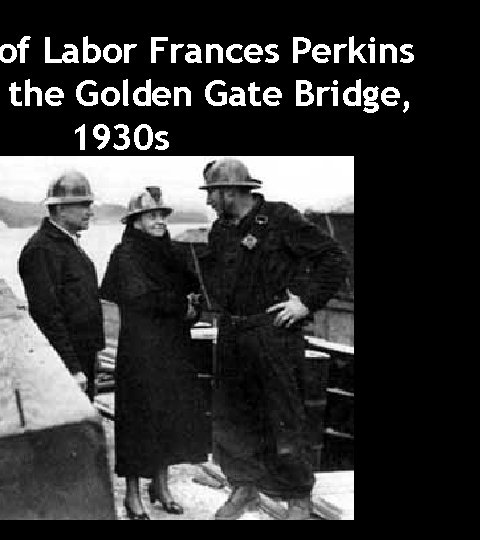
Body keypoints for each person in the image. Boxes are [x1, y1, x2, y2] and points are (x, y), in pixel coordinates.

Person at [199, 158, 350, 520]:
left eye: (213, 194)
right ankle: (245, 488)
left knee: (284, 418)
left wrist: (305, 303)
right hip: (233, 336)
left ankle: (298, 498)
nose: (209, 202)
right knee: (233, 420)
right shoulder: (221, 231)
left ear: (233, 191)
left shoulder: (280, 219)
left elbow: (334, 259)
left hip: (273, 335)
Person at [100, 186, 208, 520]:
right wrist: (182, 306)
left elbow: (195, 290)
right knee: (138, 422)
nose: (159, 221)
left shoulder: (170, 252)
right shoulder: (126, 254)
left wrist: (193, 307)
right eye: (151, 216)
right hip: (141, 352)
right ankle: (132, 496)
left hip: (173, 348)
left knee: (168, 418)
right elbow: (142, 298)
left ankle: (160, 487)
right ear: (134, 221)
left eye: (162, 215)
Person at [18, 170, 105, 400]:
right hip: (65, 363)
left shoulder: (66, 245)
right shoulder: (42, 250)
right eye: (83, 205)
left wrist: (91, 352)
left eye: (90, 204)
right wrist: (72, 367)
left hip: (82, 355)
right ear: (60, 209)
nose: (90, 211)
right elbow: (47, 314)